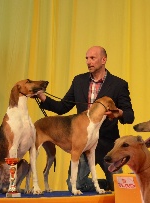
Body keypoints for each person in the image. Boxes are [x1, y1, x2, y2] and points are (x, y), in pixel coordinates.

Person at [37, 46, 135, 192]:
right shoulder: (79, 81)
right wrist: (43, 98)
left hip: (108, 144)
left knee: (120, 187)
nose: (88, 62)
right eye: (87, 58)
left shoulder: (118, 84)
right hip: (83, 143)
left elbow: (129, 115)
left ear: (104, 60)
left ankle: (110, 184)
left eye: (92, 58)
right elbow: (63, 107)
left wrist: (118, 113)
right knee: (73, 186)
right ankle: (102, 185)